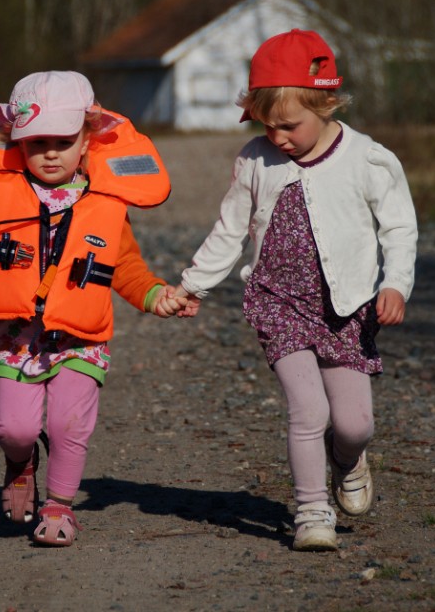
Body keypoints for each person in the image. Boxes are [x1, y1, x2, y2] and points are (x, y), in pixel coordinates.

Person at [0, 71, 185, 547]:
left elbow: (126, 267)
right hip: (13, 336)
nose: (50, 152)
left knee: (69, 424)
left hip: (79, 337)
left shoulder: (107, 203)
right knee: (16, 428)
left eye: (63, 141)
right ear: (17, 142)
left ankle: (59, 507)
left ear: (88, 140)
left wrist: (156, 296)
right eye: (37, 143)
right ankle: (20, 462)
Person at [171, 30, 417, 551]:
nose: (278, 137)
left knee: (354, 424)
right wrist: (193, 284)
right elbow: (230, 230)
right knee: (309, 411)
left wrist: (394, 284)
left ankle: (347, 460)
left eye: (289, 125)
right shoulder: (255, 161)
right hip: (278, 304)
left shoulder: (367, 159)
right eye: (268, 126)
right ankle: (311, 512)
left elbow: (398, 227)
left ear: (326, 103)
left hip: (346, 308)